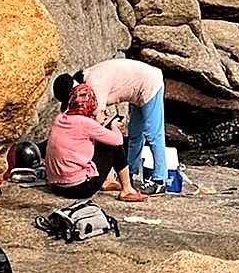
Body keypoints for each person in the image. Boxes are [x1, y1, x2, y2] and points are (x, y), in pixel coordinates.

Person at [52, 58, 169, 195]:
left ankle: (160, 180)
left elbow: (97, 123)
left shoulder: (93, 86)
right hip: (137, 89)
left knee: (153, 134)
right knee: (135, 134)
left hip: (150, 84)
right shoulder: (87, 79)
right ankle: (130, 173)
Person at [44, 80, 143, 203]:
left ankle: (108, 181)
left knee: (100, 141)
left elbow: (80, 133)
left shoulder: (60, 118)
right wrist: (113, 126)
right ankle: (127, 189)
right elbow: (117, 140)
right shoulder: (86, 123)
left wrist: (97, 124)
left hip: (56, 186)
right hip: (79, 188)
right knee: (112, 146)